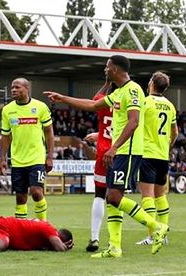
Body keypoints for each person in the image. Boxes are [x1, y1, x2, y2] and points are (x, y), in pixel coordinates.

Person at [44, 55, 168, 257]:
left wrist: (114, 147)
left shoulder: (134, 90)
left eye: (107, 66)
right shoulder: (119, 92)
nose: (105, 69)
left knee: (113, 196)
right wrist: (63, 98)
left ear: (116, 70)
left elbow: (134, 121)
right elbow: (93, 105)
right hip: (118, 151)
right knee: (112, 198)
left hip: (127, 151)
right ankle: (114, 247)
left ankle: (156, 227)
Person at [0, 78, 54, 221]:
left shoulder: (40, 107)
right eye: (12, 87)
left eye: (17, 87)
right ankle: (21, 229)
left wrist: (49, 156)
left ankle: (43, 225)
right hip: (17, 160)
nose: (13, 90)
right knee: (20, 197)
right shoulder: (7, 110)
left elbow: (49, 132)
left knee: (36, 192)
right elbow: (5, 136)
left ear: (27, 88)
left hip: (36, 158)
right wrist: (3, 159)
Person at [135, 71, 178, 246]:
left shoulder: (145, 103)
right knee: (161, 195)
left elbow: (134, 123)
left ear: (151, 83)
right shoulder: (170, 106)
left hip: (147, 153)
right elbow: (175, 132)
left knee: (147, 196)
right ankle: (164, 232)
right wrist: (168, 147)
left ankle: (153, 235)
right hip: (162, 155)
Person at [83, 79, 113, 252]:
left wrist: (107, 82)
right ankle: (114, 240)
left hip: (103, 152)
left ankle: (94, 238)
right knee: (117, 197)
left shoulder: (104, 103)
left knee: (99, 195)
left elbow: (96, 99)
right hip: (121, 152)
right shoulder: (129, 104)